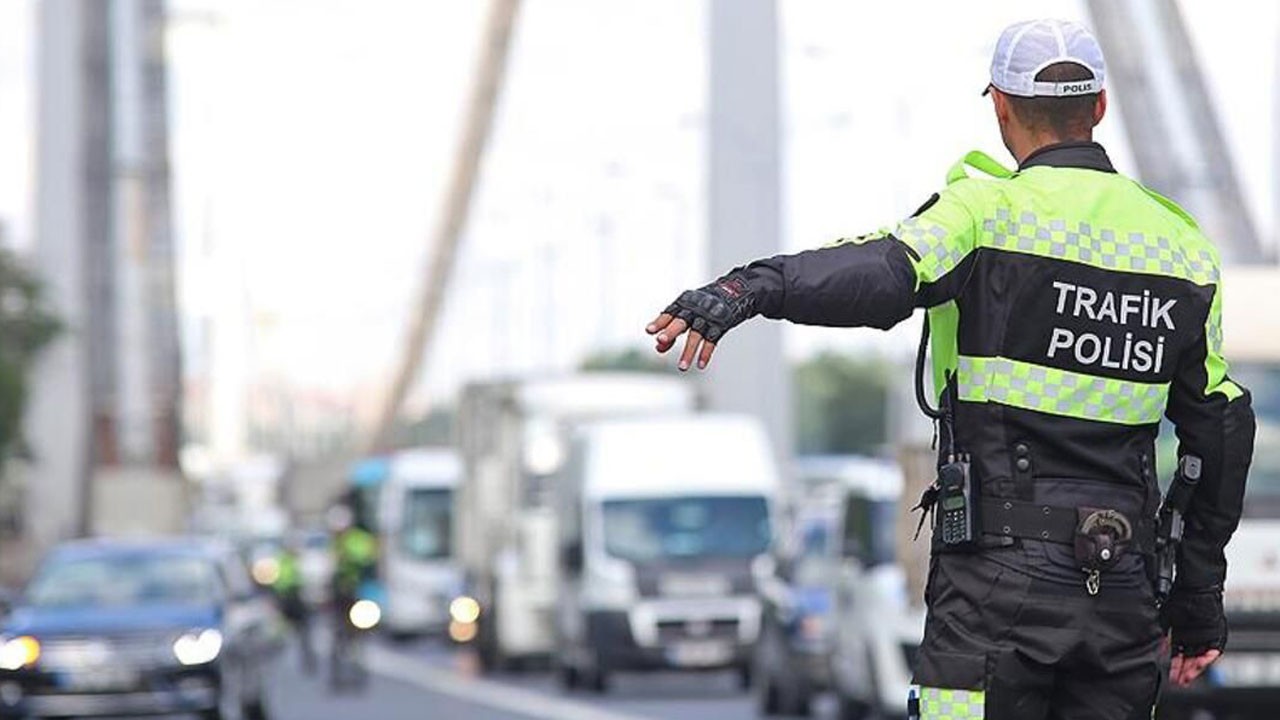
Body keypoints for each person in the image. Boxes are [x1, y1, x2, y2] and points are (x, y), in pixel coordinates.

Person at [647, 19, 1256, 719]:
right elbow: (1221, 434)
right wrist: (1198, 600)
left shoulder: (985, 213)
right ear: (1099, 108)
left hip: (996, 584)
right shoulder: (1182, 248)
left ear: (1000, 105)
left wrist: (747, 288)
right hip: (1121, 584)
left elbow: (877, 272)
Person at [327, 501, 378, 689]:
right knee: (337, 626)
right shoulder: (334, 543)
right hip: (340, 592)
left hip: (358, 592)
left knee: (361, 623)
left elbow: (369, 558)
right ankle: (339, 646)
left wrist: (350, 558)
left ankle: (357, 645)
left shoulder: (359, 539)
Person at [272, 536, 316, 674]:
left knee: (305, 630)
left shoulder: (303, 561)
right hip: (287, 599)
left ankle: (308, 658)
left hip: (299, 599)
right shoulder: (281, 561)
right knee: (283, 630)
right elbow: (277, 582)